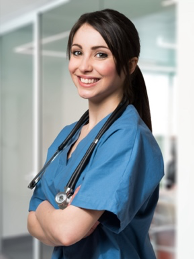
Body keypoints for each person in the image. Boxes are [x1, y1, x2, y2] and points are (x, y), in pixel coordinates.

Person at [27, 9, 164, 259]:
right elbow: (31, 222)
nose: (84, 66)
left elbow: (66, 231)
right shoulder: (68, 136)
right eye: (77, 52)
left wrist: (47, 211)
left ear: (130, 65)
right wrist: (56, 217)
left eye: (101, 54)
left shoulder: (128, 138)